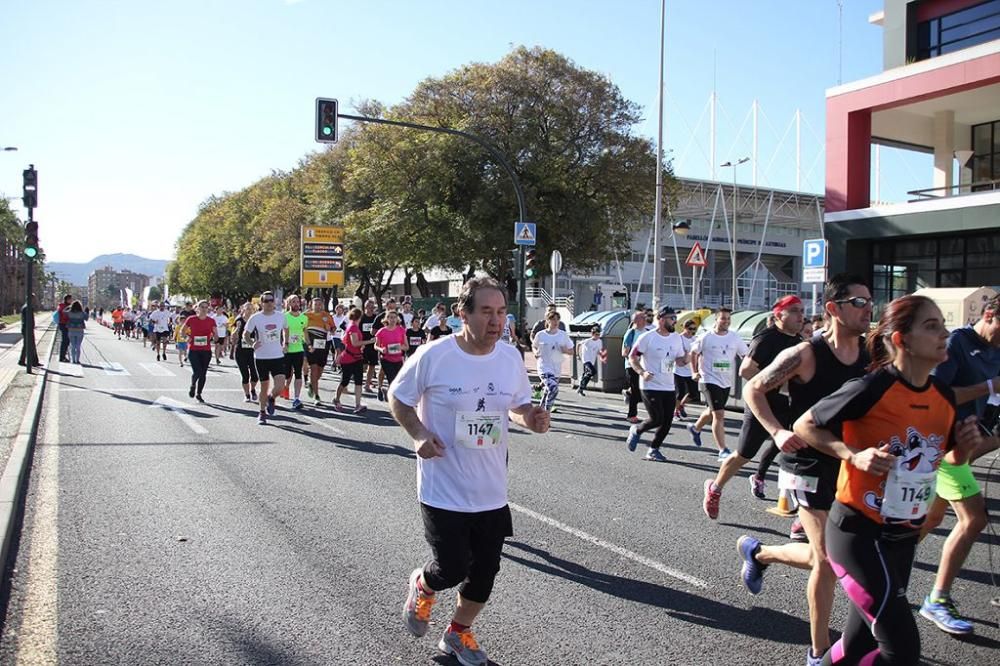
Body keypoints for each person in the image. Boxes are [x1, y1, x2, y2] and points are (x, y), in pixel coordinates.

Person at [793, 294, 982, 666]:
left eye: (943, 325)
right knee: (902, 650)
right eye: (931, 326)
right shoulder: (872, 387)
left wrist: (965, 446)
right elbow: (804, 425)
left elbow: (944, 459)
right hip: (857, 534)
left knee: (860, 645)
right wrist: (852, 454)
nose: (944, 334)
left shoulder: (942, 396)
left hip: (902, 538)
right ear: (901, 339)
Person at [390, 277, 550, 666]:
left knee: (485, 572)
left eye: (501, 312)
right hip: (443, 486)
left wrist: (532, 417)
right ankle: (423, 584)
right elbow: (399, 398)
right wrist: (419, 434)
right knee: (452, 567)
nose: (496, 321)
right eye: (486, 312)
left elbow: (518, 405)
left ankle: (457, 634)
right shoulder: (434, 355)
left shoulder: (510, 357)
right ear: (463, 313)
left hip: (491, 489)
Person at [735, 274, 873, 666]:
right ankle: (817, 653)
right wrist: (777, 432)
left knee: (828, 556)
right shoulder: (805, 354)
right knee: (828, 560)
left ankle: (760, 553)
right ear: (834, 308)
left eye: (869, 302)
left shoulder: (871, 353)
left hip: (849, 459)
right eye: (858, 303)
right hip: (805, 459)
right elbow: (753, 388)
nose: (868, 310)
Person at [918, 293, 1000, 635]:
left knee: (933, 517)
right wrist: (990, 385)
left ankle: (873, 560)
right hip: (938, 441)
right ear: (990, 314)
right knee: (973, 520)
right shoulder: (956, 343)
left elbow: (990, 404)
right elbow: (934, 394)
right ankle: (937, 599)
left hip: (960, 448)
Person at [703, 296, 804, 516]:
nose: (801, 316)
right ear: (779, 315)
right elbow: (746, 370)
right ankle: (715, 488)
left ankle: (796, 503)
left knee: (794, 448)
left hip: (789, 405)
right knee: (744, 454)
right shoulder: (766, 339)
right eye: (795, 311)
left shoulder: (800, 341)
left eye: (802, 311)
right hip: (762, 404)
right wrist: (777, 383)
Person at [625, 306, 688, 462]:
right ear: (661, 319)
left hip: (668, 385)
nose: (674, 321)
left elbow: (679, 360)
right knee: (657, 419)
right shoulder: (648, 337)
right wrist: (642, 372)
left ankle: (653, 449)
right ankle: (636, 430)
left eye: (675, 318)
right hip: (650, 385)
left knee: (667, 422)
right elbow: (632, 357)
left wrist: (687, 358)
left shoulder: (676, 338)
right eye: (671, 318)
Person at [689, 307, 749, 461]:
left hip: (725, 380)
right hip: (708, 379)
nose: (726, 322)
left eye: (728, 319)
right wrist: (694, 371)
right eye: (723, 318)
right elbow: (693, 353)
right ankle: (723, 450)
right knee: (719, 414)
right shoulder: (706, 337)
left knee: (713, 410)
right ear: (716, 320)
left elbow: (745, 355)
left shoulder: (735, 338)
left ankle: (695, 428)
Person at [243, 292, 287, 425]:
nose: (269, 303)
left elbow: (286, 330)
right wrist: (252, 344)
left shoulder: (281, 316)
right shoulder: (256, 318)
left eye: (271, 300)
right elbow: (246, 334)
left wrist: (285, 343)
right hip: (261, 356)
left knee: (280, 386)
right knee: (264, 386)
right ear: (261, 303)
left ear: (274, 302)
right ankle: (262, 413)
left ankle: (271, 398)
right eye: (266, 301)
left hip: (277, 355)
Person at [532, 311, 574, 412]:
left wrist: (565, 350)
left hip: (556, 369)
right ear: (548, 320)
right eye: (553, 319)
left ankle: (540, 411)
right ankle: (546, 413)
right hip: (544, 367)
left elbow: (572, 351)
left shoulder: (563, 335)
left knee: (548, 391)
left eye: (557, 319)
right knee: (553, 388)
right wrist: (535, 352)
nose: (555, 322)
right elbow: (534, 346)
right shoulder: (541, 335)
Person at [334, 307, 370, 414]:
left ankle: (358, 405)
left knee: (358, 381)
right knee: (345, 381)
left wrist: (361, 346)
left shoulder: (353, 326)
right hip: (349, 358)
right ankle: (336, 398)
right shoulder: (353, 327)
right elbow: (355, 343)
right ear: (360, 317)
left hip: (357, 357)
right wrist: (369, 341)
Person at [183, 301, 217, 402]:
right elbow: (182, 331)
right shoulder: (191, 319)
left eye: (206, 307)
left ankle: (199, 393)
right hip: (194, 350)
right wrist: (186, 338)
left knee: (203, 373)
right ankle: (193, 385)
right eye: (202, 307)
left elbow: (215, 334)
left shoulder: (211, 321)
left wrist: (215, 337)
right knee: (197, 371)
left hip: (206, 350)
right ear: (197, 308)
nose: (204, 309)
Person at [303, 297, 334, 406]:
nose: (318, 306)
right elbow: (303, 330)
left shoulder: (326, 316)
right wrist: (308, 344)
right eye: (316, 304)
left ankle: (312, 383)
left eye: (320, 304)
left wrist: (329, 328)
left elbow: (333, 329)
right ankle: (317, 396)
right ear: (311, 305)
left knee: (320, 371)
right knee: (314, 369)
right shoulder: (306, 316)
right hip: (311, 346)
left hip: (323, 346)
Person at [374, 310, 408, 401]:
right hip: (386, 359)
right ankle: (393, 400)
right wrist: (381, 349)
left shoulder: (401, 330)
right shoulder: (382, 331)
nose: (393, 320)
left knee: (398, 381)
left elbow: (406, 346)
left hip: (398, 359)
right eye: (390, 317)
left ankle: (388, 392)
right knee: (391, 379)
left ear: (397, 319)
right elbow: (376, 345)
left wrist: (400, 347)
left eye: (394, 317)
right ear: (387, 319)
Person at [622, 311, 648, 424]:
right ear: (636, 320)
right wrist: (633, 359)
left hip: (644, 366)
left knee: (641, 391)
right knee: (636, 391)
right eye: (643, 318)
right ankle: (631, 415)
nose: (645, 320)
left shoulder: (647, 333)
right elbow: (624, 352)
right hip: (631, 366)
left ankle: (628, 393)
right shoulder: (631, 333)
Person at [283, 295, 308, 410]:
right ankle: (285, 387)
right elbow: (283, 332)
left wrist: (309, 344)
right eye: (293, 302)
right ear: (289, 304)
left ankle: (296, 398)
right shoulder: (285, 317)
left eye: (298, 302)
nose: (296, 304)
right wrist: (285, 344)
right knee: (287, 374)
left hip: (299, 349)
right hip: (287, 350)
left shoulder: (304, 318)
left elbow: (305, 332)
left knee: (298, 373)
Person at [233, 302, 260, 404]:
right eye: (247, 308)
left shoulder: (255, 321)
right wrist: (236, 330)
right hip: (241, 351)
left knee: (255, 375)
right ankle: (247, 394)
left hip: (253, 351)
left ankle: (252, 389)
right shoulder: (239, 320)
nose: (249, 310)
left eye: (251, 308)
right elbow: (234, 333)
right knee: (245, 375)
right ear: (243, 309)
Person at [673, 319, 699, 420]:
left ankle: (681, 406)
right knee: (680, 393)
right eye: (690, 328)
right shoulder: (679, 338)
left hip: (690, 370)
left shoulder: (695, 339)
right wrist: (687, 355)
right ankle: (675, 411)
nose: (692, 331)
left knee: (693, 393)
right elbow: (679, 354)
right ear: (684, 328)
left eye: (694, 329)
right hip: (678, 370)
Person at [576, 325, 606, 395]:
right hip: (586, 360)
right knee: (593, 371)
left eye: (599, 335)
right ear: (592, 334)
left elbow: (598, 351)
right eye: (596, 335)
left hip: (592, 361)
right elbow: (578, 344)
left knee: (588, 374)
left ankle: (581, 388)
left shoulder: (599, 341)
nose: (597, 336)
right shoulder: (587, 341)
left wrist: (601, 354)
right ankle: (582, 380)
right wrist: (577, 355)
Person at [360, 300, 380, 393]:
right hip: (363, 344)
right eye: (369, 307)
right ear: (365, 307)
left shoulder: (376, 318)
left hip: (373, 344)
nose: (371, 309)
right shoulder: (361, 318)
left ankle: (367, 385)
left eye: (372, 307)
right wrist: (361, 343)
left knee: (372, 365)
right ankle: (359, 381)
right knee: (363, 365)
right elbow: (357, 331)